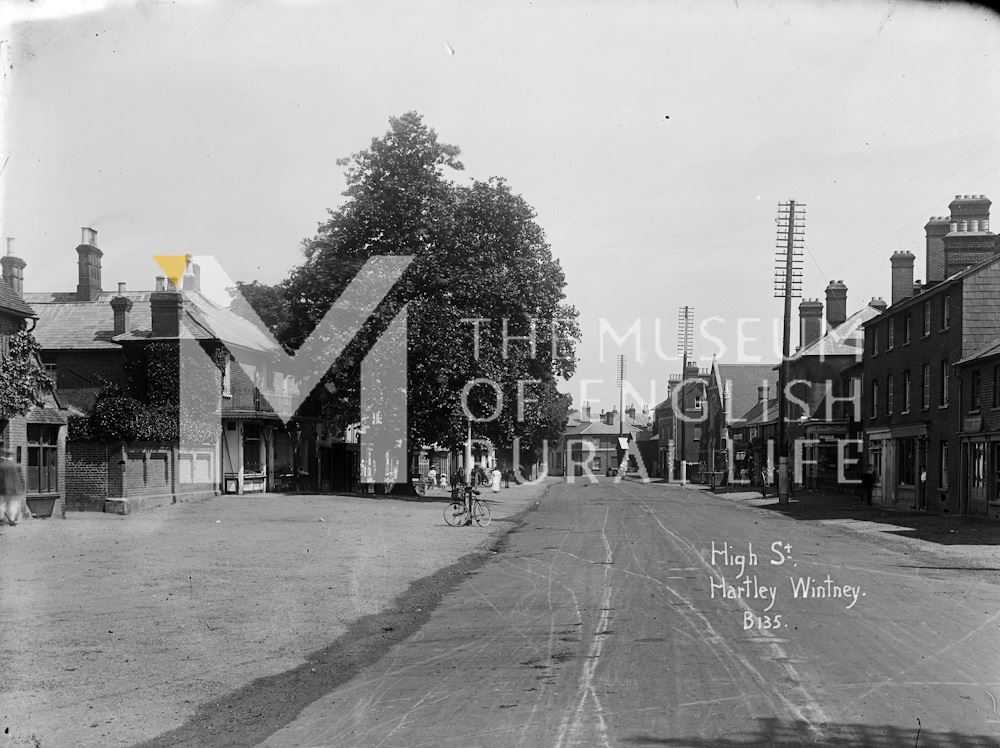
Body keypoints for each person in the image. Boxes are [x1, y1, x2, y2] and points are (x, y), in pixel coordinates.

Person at [1, 449, 25, 526]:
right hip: (16, 489)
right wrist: (23, 487)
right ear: (12, 456)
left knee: (4, 503)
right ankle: (11, 520)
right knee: (14, 504)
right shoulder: (17, 465)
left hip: (5, 489)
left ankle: (2, 518)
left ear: (5, 456)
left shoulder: (2, 466)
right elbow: (21, 478)